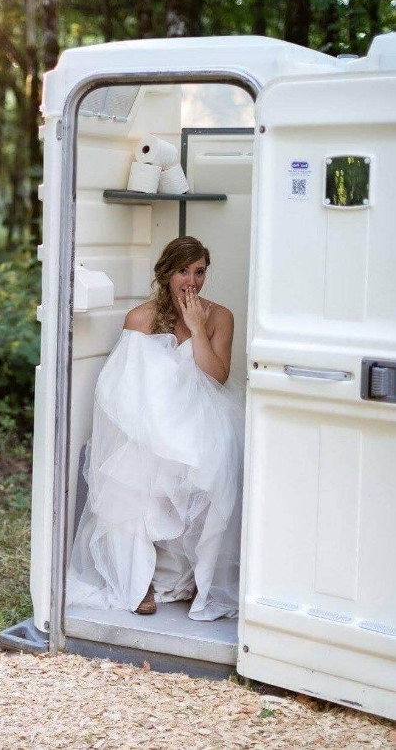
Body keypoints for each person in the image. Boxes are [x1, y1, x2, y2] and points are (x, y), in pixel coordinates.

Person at [66, 236, 245, 621]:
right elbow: (123, 387)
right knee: (135, 466)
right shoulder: (141, 318)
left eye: (199, 272)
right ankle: (137, 579)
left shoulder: (220, 316)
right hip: (152, 415)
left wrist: (197, 328)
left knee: (219, 456)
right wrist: (156, 426)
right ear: (166, 274)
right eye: (183, 271)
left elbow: (216, 376)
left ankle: (205, 576)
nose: (192, 281)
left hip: (203, 410)